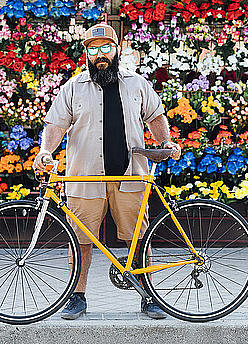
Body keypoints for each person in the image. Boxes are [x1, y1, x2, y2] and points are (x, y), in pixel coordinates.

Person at [33, 22, 181, 320]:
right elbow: (56, 124)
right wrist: (45, 151)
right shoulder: (74, 87)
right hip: (85, 177)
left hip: (130, 175)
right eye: (93, 48)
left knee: (137, 237)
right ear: (85, 53)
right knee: (81, 240)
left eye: (106, 47)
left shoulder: (137, 83)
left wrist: (164, 141)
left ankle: (149, 295)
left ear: (118, 50)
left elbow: (155, 116)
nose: (100, 54)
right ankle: (77, 296)